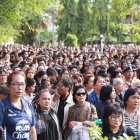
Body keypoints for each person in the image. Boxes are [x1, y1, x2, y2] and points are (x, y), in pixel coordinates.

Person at [0, 71, 37, 140]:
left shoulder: (28, 104)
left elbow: (32, 131)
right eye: (16, 84)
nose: (20, 88)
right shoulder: (2, 106)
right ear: (8, 86)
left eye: (22, 84)